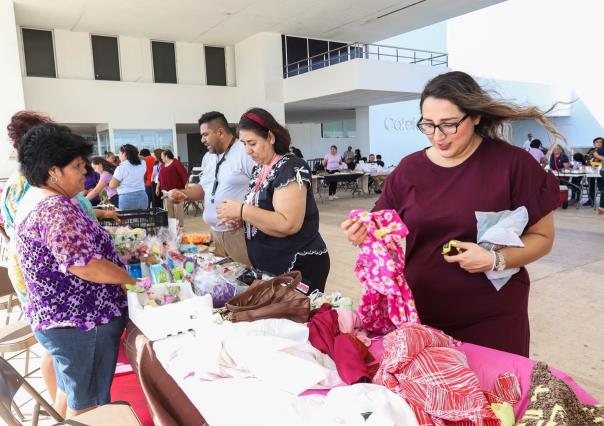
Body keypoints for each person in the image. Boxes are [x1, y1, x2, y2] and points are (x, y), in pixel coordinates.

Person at [342, 71, 559, 356]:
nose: (438, 136)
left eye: (449, 125)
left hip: (492, 319)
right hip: (421, 314)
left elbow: (543, 237)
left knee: (494, 398)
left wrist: (496, 259)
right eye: (428, 125)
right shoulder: (409, 170)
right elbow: (379, 228)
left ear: (476, 117)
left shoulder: (512, 165)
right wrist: (360, 232)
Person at [16, 123, 134, 418]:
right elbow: (85, 264)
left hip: (64, 321)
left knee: (75, 396)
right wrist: (129, 280)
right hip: (80, 323)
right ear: (54, 171)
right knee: (90, 406)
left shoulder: (43, 200)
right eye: (78, 166)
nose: (87, 172)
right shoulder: (55, 208)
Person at [217, 108, 330, 293]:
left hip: (298, 265)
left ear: (270, 137)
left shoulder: (291, 167)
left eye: (252, 143)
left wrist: (242, 211)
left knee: (296, 319)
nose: (247, 151)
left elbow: (288, 223)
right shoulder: (260, 169)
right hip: (271, 263)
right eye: (244, 144)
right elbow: (265, 214)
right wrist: (242, 221)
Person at [167, 111, 255, 265]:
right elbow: (204, 189)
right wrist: (182, 193)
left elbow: (259, 189)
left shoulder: (244, 152)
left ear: (220, 132)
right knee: (222, 278)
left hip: (239, 233)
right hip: (215, 233)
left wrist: (243, 215)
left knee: (247, 280)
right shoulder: (209, 157)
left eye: (205, 134)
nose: (202, 140)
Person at [110, 144, 148, 210]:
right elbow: (142, 158)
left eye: (119, 154)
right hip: (142, 196)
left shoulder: (121, 168)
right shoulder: (142, 163)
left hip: (127, 198)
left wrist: (120, 182)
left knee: (128, 219)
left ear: (124, 153)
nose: (119, 156)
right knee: (142, 219)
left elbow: (112, 185)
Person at [157, 150, 188, 227]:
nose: (161, 158)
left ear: (166, 156)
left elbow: (184, 174)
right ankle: (172, 228)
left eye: (162, 156)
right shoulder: (162, 165)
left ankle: (180, 227)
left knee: (178, 211)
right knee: (169, 212)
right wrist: (157, 187)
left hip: (176, 192)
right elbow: (159, 178)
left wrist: (186, 188)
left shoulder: (176, 163)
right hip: (166, 193)